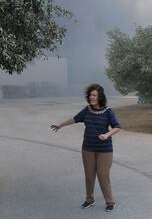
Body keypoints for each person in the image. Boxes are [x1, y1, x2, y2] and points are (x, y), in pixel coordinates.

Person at [51, 83, 122, 212]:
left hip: (104, 149)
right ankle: (89, 199)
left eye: (94, 95)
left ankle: (110, 201)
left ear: (100, 97)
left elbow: (117, 126)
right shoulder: (87, 110)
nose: (91, 97)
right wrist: (60, 125)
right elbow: (75, 118)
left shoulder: (108, 111)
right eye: (90, 95)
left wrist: (107, 134)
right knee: (89, 175)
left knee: (102, 175)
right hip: (88, 148)